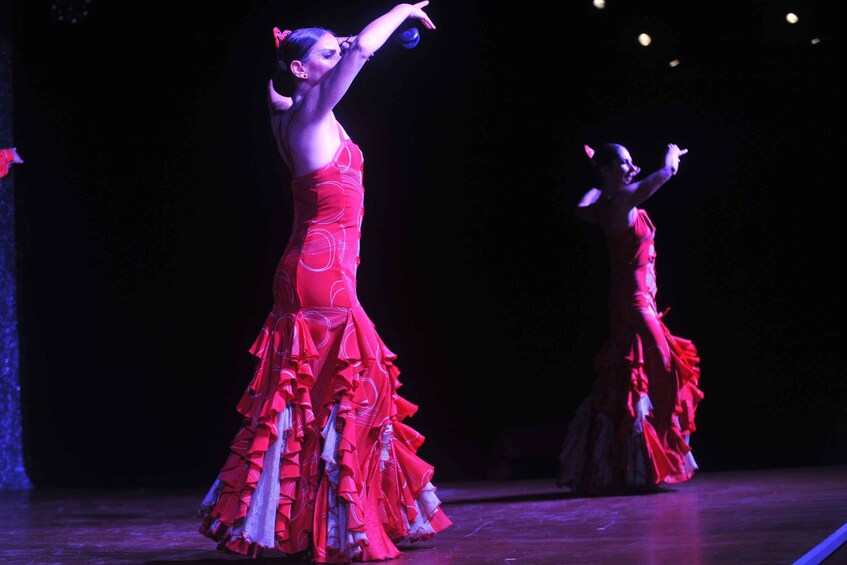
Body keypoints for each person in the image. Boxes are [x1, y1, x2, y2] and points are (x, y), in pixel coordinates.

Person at [197, 3, 452, 562]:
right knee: (349, 392)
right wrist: (402, 9)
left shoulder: (287, 110)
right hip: (322, 276)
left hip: (312, 272)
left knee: (312, 399)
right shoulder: (310, 113)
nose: (340, 60)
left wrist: (317, 46)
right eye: (326, 57)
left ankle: (304, 520)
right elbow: (362, 48)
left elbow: (309, 69)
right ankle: (340, 522)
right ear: (300, 70)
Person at [557, 142, 704, 496]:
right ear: (608, 170)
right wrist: (670, 153)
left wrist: (605, 178)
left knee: (626, 379)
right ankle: (662, 444)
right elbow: (667, 173)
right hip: (635, 304)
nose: (632, 167)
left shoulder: (606, 205)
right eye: (624, 163)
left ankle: (620, 463)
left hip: (626, 303)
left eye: (630, 162)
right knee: (664, 368)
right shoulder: (621, 202)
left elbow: (581, 206)